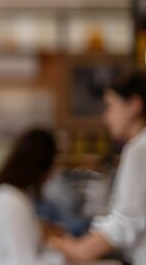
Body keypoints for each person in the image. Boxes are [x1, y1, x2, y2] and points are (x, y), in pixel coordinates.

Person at [50, 71, 146, 263]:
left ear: (134, 105)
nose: (106, 117)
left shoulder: (139, 149)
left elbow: (126, 222)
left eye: (110, 106)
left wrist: (78, 249)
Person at [0, 128, 64, 264]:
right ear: (41, 167)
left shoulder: (12, 197)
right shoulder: (10, 200)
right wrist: (65, 258)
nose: (52, 175)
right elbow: (21, 261)